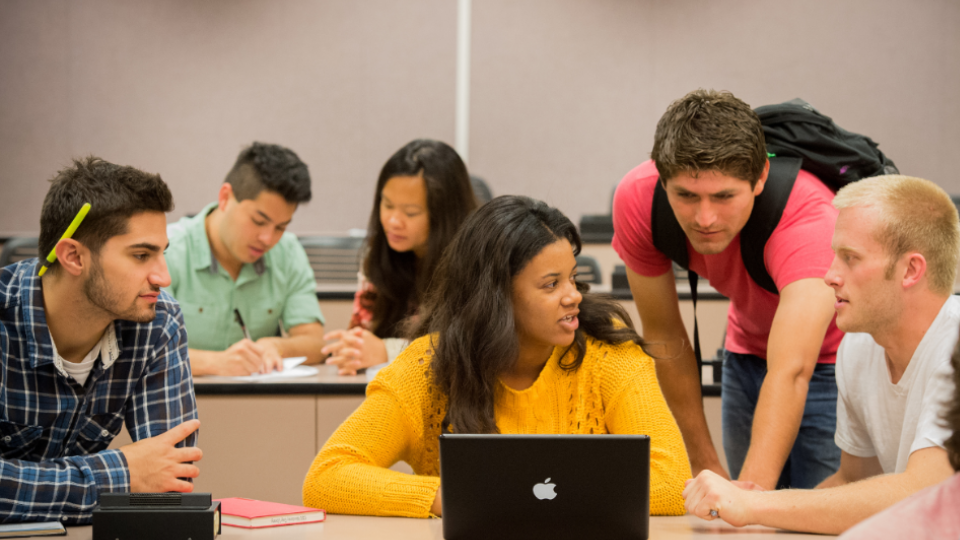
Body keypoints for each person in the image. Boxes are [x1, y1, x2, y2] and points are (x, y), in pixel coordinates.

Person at [302, 195, 691, 517]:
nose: (573, 295)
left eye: (572, 277)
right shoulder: (427, 367)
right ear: (497, 298)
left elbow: (673, 483)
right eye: (551, 284)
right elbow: (328, 475)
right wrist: (451, 497)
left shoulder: (611, 355)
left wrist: (511, 497)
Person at [683, 174, 959, 535]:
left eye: (850, 258)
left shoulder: (954, 346)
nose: (829, 275)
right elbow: (851, 482)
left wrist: (754, 505)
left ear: (910, 270)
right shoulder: (859, 349)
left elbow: (926, 491)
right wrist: (752, 512)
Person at [612, 89, 843, 489]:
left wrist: (747, 498)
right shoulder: (638, 198)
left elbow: (791, 370)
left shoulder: (809, 218)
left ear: (759, 179)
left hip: (830, 362)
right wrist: (704, 464)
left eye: (724, 197)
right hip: (746, 351)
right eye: (685, 195)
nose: (705, 218)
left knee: (810, 515)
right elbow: (665, 335)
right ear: (662, 178)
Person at [0, 157, 201, 524]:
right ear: (74, 256)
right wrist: (120, 473)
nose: (163, 277)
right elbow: (138, 477)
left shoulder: (157, 322)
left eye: (162, 253)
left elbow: (171, 483)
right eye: (141, 255)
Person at [165, 142, 326, 376]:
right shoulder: (167, 249)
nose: (267, 239)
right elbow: (141, 353)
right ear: (225, 197)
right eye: (258, 221)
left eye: (280, 227)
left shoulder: (288, 252)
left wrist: (277, 346)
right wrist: (216, 363)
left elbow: (315, 343)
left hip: (258, 406)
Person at [321, 139, 476, 375]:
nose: (393, 221)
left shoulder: (476, 260)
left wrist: (388, 351)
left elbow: (472, 348)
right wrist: (353, 347)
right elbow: (363, 332)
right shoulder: (377, 253)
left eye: (410, 212)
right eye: (387, 204)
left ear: (444, 215)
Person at [839, 331, 960, 539]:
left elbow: (920, 488)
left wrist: (766, 506)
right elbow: (852, 478)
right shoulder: (858, 343)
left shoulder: (949, 339)